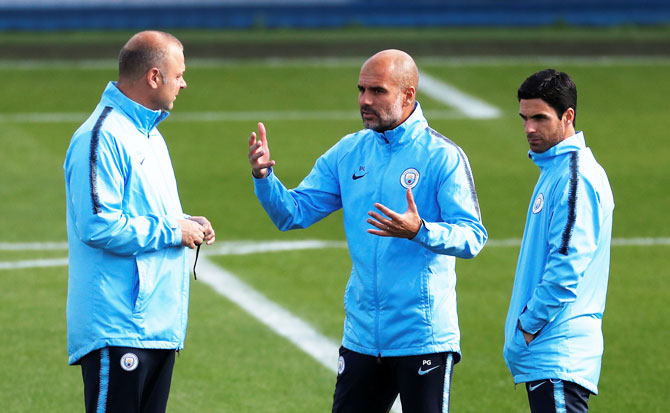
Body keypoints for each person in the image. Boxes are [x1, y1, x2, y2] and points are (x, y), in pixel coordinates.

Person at [248, 49, 487, 413]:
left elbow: (472, 237)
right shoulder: (350, 152)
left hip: (422, 338)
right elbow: (293, 213)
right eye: (361, 90)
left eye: (377, 91)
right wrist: (265, 178)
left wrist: (421, 230)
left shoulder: (442, 157)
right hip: (361, 337)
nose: (364, 101)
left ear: (408, 95)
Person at [64, 30, 215, 413]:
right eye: (178, 74)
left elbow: (145, 211)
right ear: (153, 77)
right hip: (118, 328)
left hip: (156, 328)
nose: (184, 82)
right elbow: (98, 224)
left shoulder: (149, 136)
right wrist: (172, 230)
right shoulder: (102, 136)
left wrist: (186, 221)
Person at [503, 69, 614, 412]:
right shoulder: (556, 171)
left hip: (558, 355)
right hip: (551, 356)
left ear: (568, 116)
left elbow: (565, 270)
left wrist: (528, 326)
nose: (529, 129)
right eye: (524, 118)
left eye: (539, 118)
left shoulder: (574, 179)